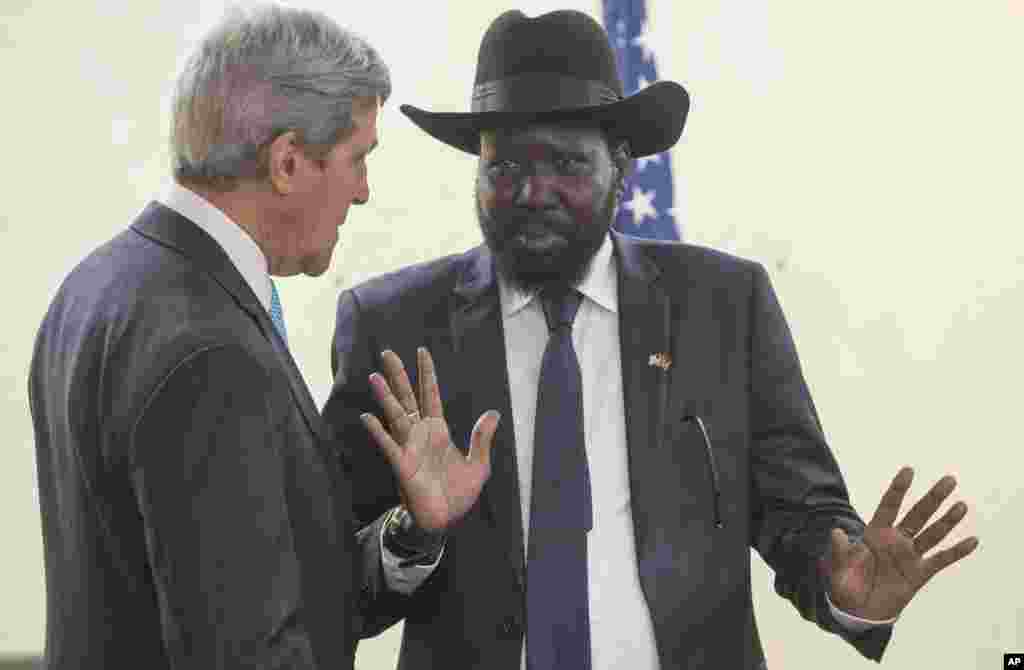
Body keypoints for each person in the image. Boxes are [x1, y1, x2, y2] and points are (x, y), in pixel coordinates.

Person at [324, 9, 981, 670]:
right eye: (506, 167)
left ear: (620, 166)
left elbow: (801, 515)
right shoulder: (394, 326)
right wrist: (414, 532)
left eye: (565, 163)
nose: (534, 192)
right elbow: (326, 582)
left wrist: (847, 589)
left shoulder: (725, 307)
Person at [27, 6, 497, 669]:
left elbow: (248, 594)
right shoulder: (210, 352)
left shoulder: (94, 290)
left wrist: (412, 531)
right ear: (286, 162)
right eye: (358, 158)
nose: (362, 192)